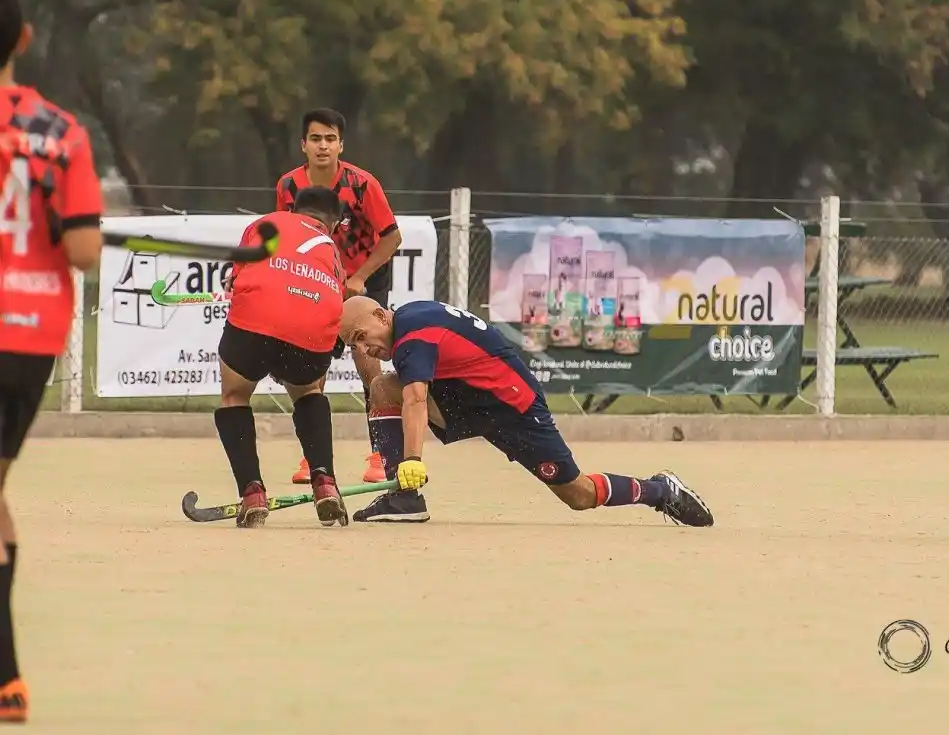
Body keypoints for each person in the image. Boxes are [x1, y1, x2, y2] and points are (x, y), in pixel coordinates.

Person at [338, 296, 714, 526]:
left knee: (578, 495)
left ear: (381, 316)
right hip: (472, 399)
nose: (364, 349)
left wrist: (413, 459)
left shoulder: (412, 334)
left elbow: (417, 399)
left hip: (513, 407)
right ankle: (404, 498)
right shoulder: (411, 320)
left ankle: (660, 490)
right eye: (354, 346)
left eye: (361, 337)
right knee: (384, 386)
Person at [0, 0, 104, 722]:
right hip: (30, 335)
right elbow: (83, 251)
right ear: (25, 37)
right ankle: (6, 673)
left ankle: (5, 671)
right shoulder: (62, 133)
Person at [275, 108, 403, 485]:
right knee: (311, 371)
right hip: (318, 283)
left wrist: (360, 277)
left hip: (365, 284)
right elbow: (285, 235)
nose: (323, 146)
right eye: (315, 139)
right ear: (303, 145)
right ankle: (313, 459)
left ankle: (380, 454)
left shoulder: (362, 185)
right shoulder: (288, 187)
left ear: (341, 145)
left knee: (369, 366)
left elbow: (392, 237)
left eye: (330, 139)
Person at [215, 186, 350, 528]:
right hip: (311, 332)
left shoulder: (268, 222)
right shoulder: (333, 251)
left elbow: (237, 275)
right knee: (308, 392)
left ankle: (252, 493)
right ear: (333, 223)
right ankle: (325, 483)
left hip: (256, 322)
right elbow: (336, 302)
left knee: (234, 395)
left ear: (293, 209)